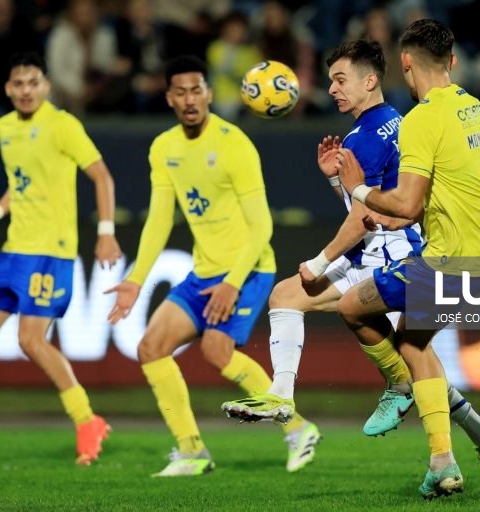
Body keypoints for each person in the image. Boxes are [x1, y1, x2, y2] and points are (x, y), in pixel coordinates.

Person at [221, 39, 480, 491]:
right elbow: (368, 205)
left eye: (340, 80)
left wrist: (318, 260)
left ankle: (431, 432)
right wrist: (338, 180)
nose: (333, 90)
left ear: (370, 80)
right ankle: (283, 394)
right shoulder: (393, 122)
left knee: (413, 355)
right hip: (392, 248)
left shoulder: (370, 136)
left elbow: (363, 218)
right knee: (288, 298)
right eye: (331, 80)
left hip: (395, 253)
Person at [104, 55, 321, 477]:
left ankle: (297, 428)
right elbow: (160, 220)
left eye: (197, 90)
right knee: (150, 348)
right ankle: (192, 450)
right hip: (204, 273)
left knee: (216, 350)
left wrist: (233, 284)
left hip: (249, 268)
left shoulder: (233, 143)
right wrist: (134, 280)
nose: (190, 99)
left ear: (208, 93)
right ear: (169, 98)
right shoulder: (164, 148)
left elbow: (262, 226)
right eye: (180, 92)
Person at [335, 20, 480, 499]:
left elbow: (409, 202)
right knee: (415, 344)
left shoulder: (420, 118)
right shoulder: (472, 108)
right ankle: (456, 453)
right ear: (452, 62)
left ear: (406, 64)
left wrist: (359, 190)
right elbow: (452, 187)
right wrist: (397, 221)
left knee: (352, 306)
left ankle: (399, 389)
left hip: (451, 263)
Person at [0, 52, 121, 466]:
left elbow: (102, 176)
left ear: (46, 87)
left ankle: (87, 420)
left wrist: (106, 234)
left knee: (31, 341)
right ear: (8, 90)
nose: (26, 90)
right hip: (13, 250)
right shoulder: (5, 127)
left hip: (51, 252)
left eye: (34, 82)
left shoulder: (63, 125)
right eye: (19, 84)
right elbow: (21, 184)